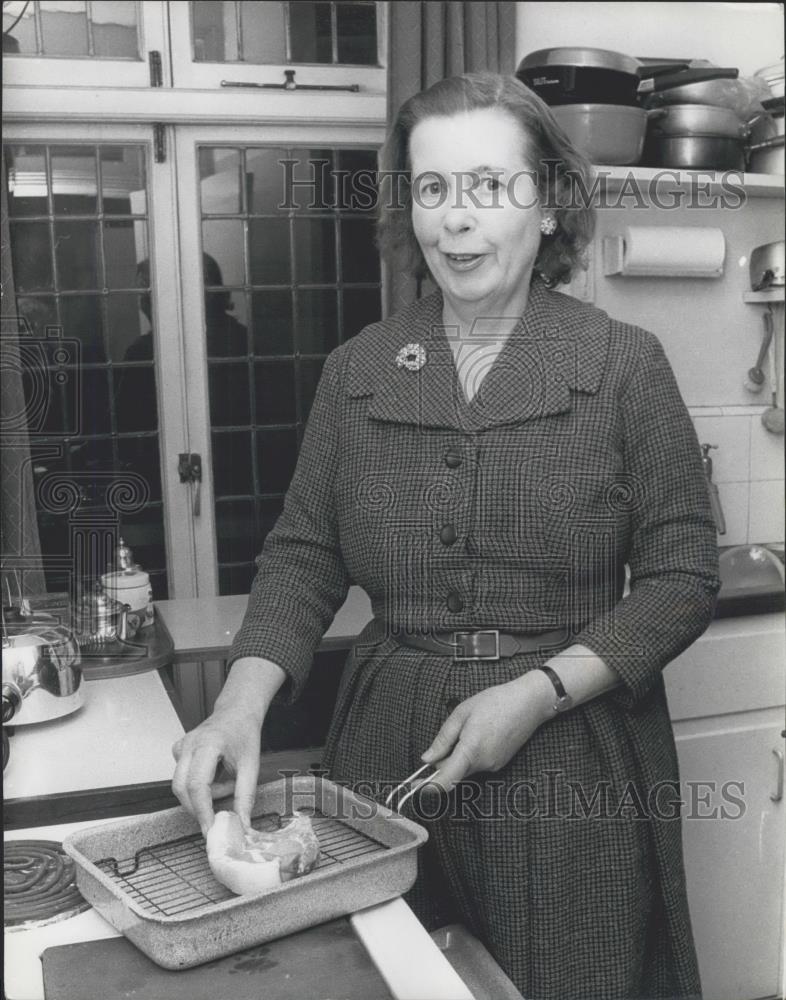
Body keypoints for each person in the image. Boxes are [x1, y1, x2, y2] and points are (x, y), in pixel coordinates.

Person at [172, 72, 719, 999]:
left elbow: (681, 577)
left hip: (568, 759)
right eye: (432, 189)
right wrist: (238, 706)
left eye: (488, 186)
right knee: (386, 977)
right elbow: (304, 557)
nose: (454, 219)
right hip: (388, 746)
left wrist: (538, 694)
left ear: (548, 206)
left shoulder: (623, 367)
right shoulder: (359, 372)